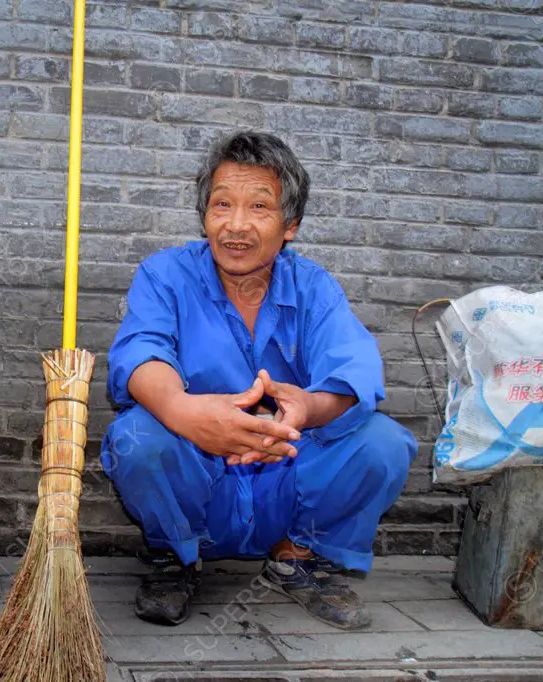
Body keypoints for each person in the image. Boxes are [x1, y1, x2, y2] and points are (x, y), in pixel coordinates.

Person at [101, 131, 417, 630]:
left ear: (290, 225)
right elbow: (141, 353)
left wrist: (306, 412)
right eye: (222, 204)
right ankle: (176, 558)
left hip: (285, 471)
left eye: (260, 207)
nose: (236, 225)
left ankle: (298, 557)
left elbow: (355, 369)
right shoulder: (165, 275)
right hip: (203, 478)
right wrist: (188, 415)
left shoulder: (313, 286)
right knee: (136, 438)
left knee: (383, 442)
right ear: (204, 214)